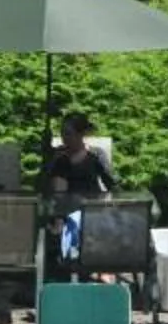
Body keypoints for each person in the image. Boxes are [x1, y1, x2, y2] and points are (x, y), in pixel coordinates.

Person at [40, 112, 116, 279]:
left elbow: (112, 183)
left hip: (94, 209)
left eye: (69, 133)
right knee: (66, 224)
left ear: (81, 134)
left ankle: (103, 272)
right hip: (68, 211)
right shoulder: (60, 159)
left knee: (106, 226)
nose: (65, 138)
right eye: (62, 133)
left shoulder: (96, 155)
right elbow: (57, 191)